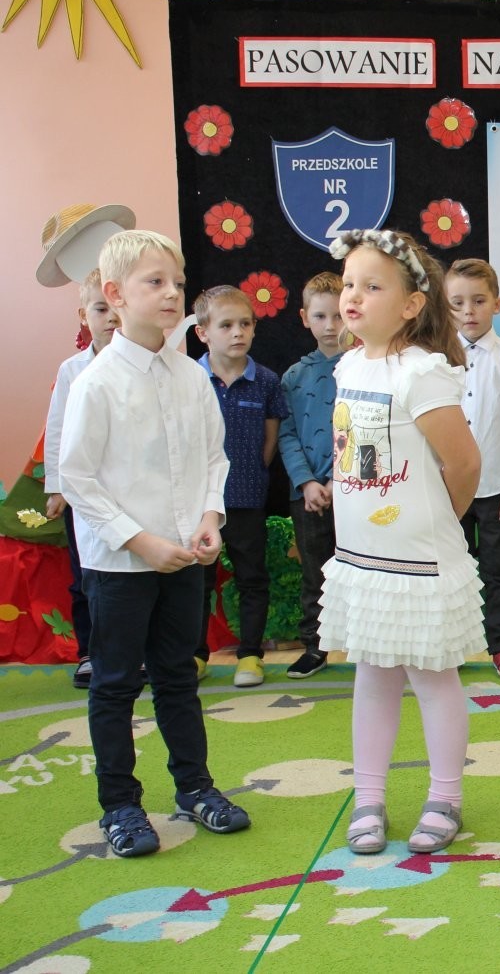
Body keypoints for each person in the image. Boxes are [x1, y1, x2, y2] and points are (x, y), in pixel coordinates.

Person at [59, 230, 251, 857]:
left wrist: (209, 517)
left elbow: (213, 459)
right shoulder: (96, 382)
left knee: (177, 678)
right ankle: (119, 804)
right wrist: (140, 542)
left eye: (177, 282)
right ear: (115, 295)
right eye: (155, 282)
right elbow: (77, 479)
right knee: (116, 683)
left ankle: (194, 788)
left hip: (184, 557)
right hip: (120, 565)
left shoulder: (191, 377)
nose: (172, 294)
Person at [320, 229, 484, 855]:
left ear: (412, 304)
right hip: (363, 561)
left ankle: (445, 797)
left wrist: (440, 521)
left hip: (419, 562)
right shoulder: (349, 364)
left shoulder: (422, 373)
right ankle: (369, 799)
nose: (353, 297)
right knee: (373, 677)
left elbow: (463, 463)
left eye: (372, 286)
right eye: (350, 284)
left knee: (433, 678)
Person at [191, 286, 288, 687]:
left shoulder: (266, 381)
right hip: (198, 503)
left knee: (252, 577)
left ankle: (250, 655)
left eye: (245, 324)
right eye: (226, 325)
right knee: (197, 581)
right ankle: (195, 655)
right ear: (203, 333)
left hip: (246, 497)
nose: (237, 332)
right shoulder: (189, 379)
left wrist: (249, 474)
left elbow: (270, 442)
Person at [446, 257, 500, 681]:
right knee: (453, 571)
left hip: (498, 488)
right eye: (458, 303)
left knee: (499, 571)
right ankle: (453, 645)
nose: (469, 311)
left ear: (496, 304)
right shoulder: (435, 359)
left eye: (479, 301)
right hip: (448, 488)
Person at [44, 269, 118, 689]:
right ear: (83, 315)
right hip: (84, 494)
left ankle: (137, 652)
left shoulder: (146, 365)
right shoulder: (72, 371)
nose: (111, 318)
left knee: (134, 577)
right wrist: (57, 486)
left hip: (129, 491)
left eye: (116, 308)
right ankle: (90, 652)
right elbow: (57, 428)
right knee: (85, 574)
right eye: (100, 309)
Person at [278, 271, 346, 680]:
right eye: (320, 316)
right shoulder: (293, 377)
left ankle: (368, 644)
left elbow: (366, 429)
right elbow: (286, 434)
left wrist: (340, 480)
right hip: (306, 494)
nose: (330, 325)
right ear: (305, 318)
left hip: (355, 489)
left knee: (364, 568)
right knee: (314, 572)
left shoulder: (362, 368)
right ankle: (315, 645)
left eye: (338, 315)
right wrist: (307, 482)